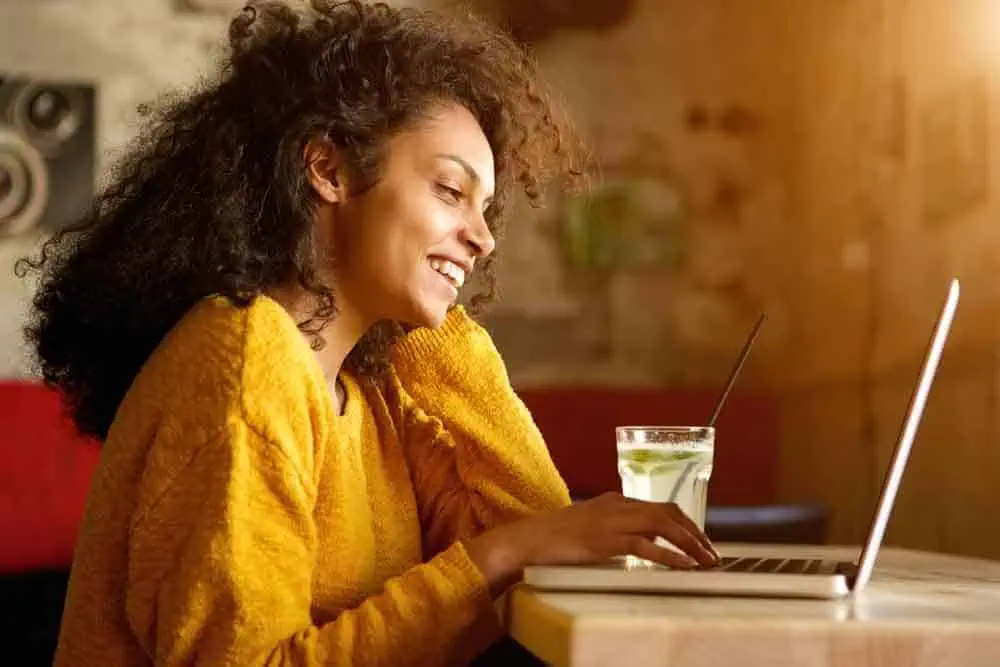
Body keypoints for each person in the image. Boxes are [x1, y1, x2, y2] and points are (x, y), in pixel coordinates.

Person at [18, 1, 720, 665]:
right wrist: (505, 554)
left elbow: (533, 534)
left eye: (485, 210)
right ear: (327, 170)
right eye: (451, 191)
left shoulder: (372, 388)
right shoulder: (243, 358)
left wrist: (429, 323)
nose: (482, 239)